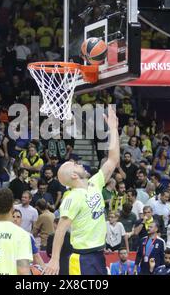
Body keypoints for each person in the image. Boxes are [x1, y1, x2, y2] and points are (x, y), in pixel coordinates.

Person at [45, 106, 119, 275]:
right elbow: (61, 229)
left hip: (98, 254)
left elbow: (113, 159)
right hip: (82, 258)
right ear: (73, 175)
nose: (80, 164)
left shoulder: (94, 183)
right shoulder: (72, 197)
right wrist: (55, 260)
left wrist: (113, 129)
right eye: (76, 165)